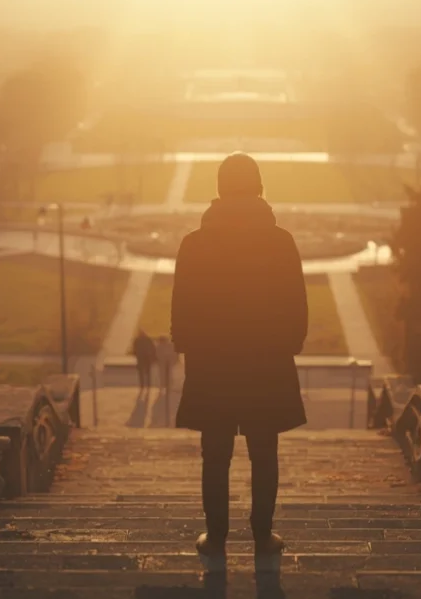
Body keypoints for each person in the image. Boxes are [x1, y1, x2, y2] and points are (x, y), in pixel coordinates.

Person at [170, 152, 308, 558]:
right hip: (266, 364)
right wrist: (289, 345)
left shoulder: (194, 244)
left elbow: (181, 310)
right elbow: (297, 307)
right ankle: (263, 536)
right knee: (264, 453)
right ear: (260, 188)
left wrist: (188, 349)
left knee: (215, 455)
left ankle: (216, 537)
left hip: (212, 365)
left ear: (219, 190)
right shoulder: (281, 241)